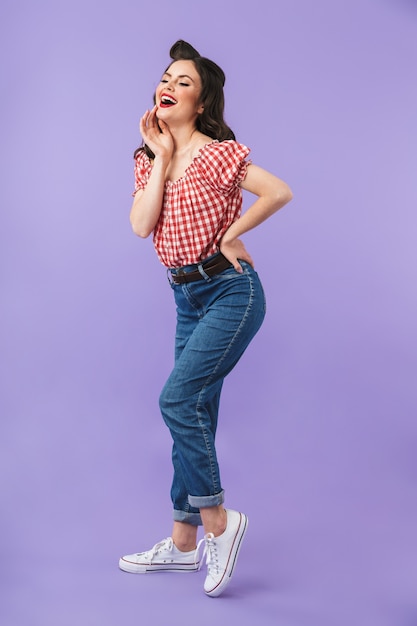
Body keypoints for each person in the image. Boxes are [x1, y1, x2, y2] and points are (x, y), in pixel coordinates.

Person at [119, 40, 293, 598]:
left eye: (184, 82)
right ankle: (183, 542)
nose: (168, 85)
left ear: (202, 102)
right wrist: (164, 157)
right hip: (185, 298)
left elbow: (277, 191)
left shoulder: (220, 154)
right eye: (165, 77)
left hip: (229, 291)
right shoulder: (148, 158)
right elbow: (142, 226)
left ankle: (218, 521)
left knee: (177, 400)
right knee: (194, 413)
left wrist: (232, 233)